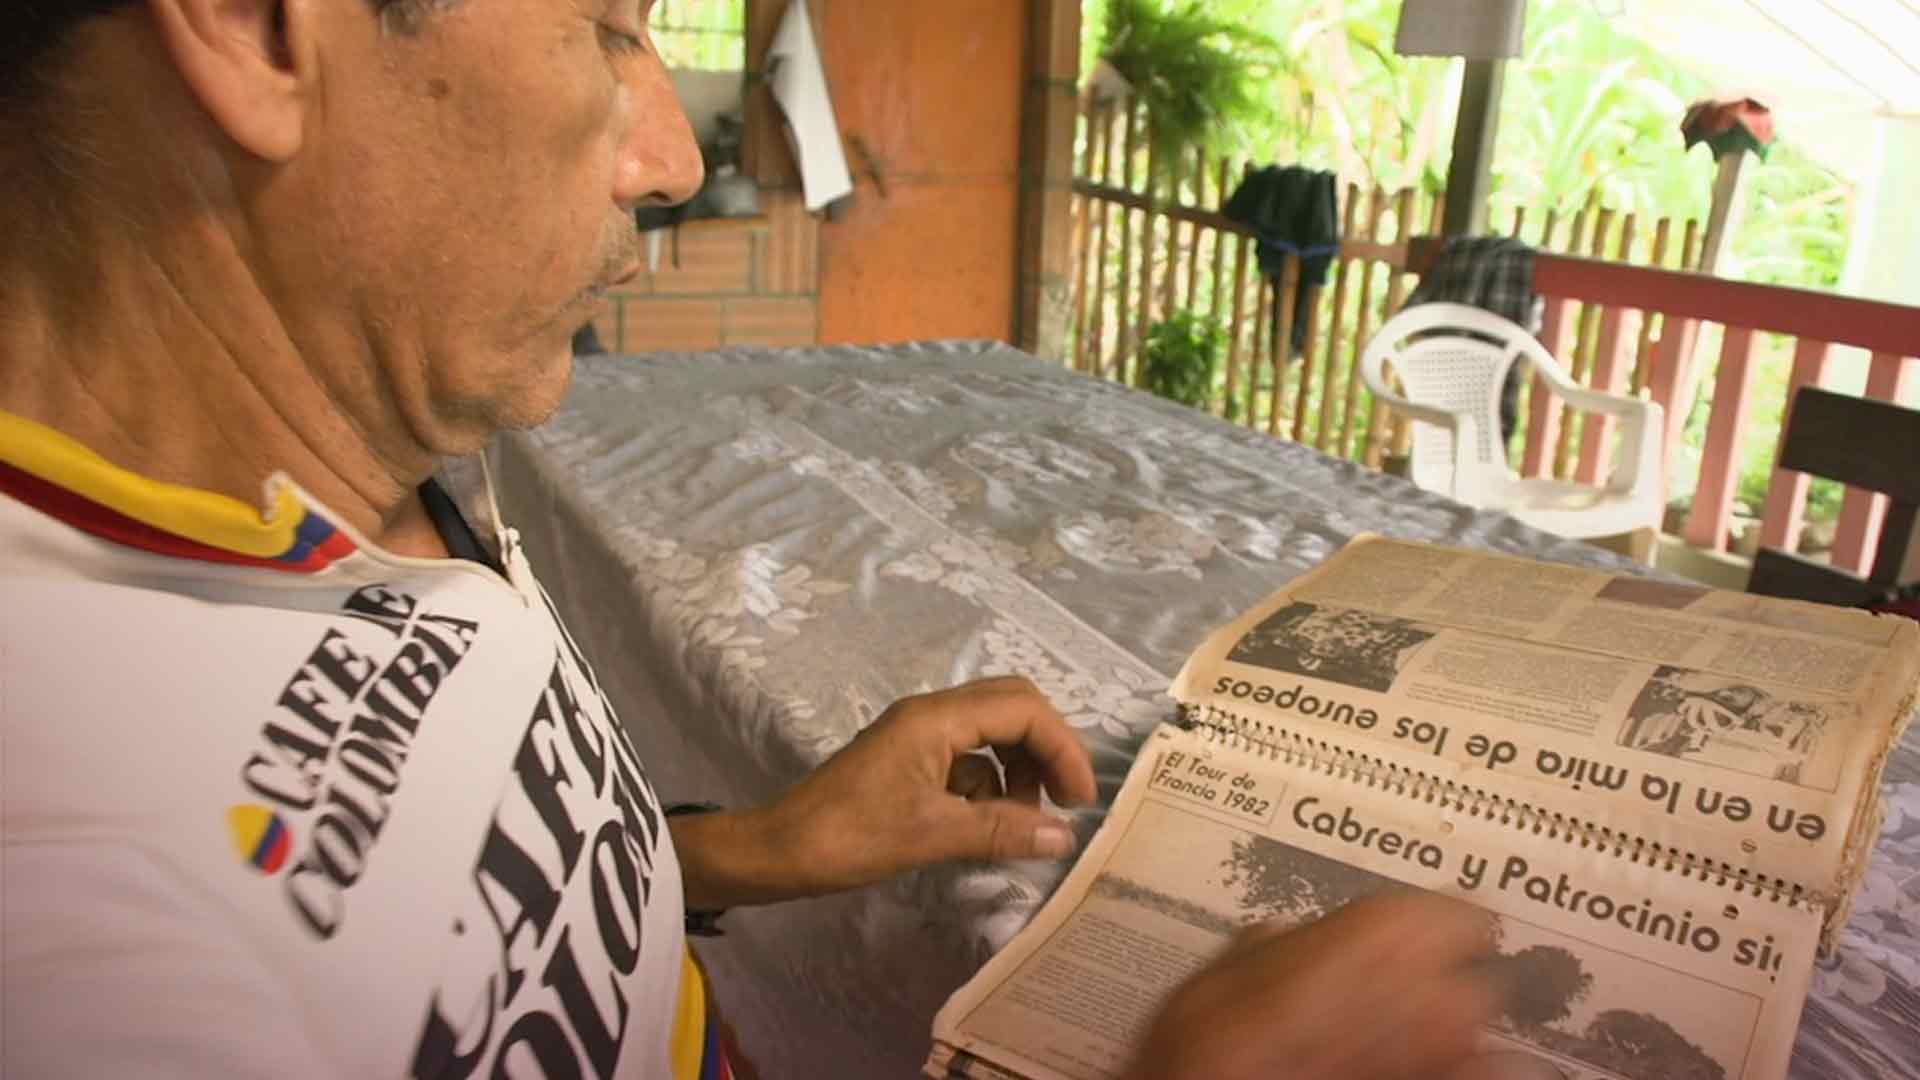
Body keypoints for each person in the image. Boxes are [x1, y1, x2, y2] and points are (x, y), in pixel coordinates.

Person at [0, 2, 1500, 1077]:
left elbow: (425, 911)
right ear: (257, 25)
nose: (667, 156)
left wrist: (758, 848)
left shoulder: (362, 475)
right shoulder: (81, 936)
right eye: (608, 26)